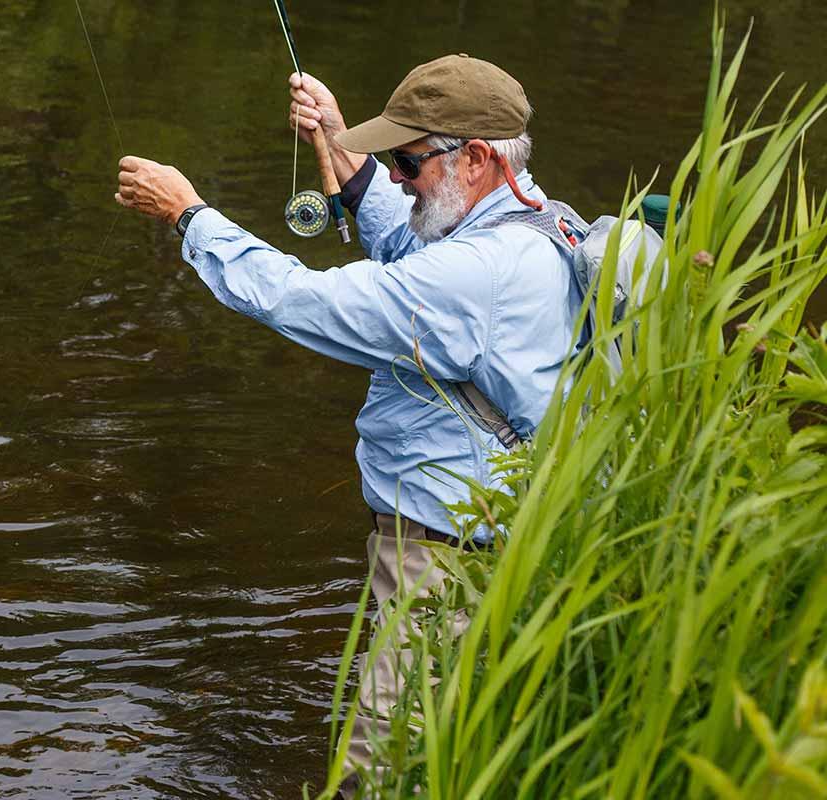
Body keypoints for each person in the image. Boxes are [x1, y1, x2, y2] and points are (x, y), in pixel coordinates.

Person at [112, 55, 578, 789]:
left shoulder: (477, 274)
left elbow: (305, 301)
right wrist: (344, 151)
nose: (395, 175)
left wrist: (190, 216)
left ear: (479, 156)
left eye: (407, 160)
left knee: (381, 771)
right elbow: (421, 246)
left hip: (448, 562)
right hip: (505, 541)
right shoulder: (539, 219)